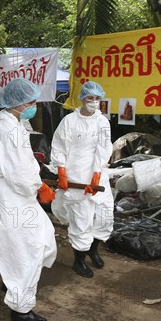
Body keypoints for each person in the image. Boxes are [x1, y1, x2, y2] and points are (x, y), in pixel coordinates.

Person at [0, 78, 57, 321]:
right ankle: (20, 307)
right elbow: (18, 172)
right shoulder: (9, 130)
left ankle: (11, 284)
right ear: (17, 103)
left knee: (29, 243)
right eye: (31, 101)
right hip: (15, 196)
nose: (34, 105)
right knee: (28, 249)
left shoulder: (12, 125)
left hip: (15, 195)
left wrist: (37, 184)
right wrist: (39, 187)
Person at [51, 81, 114, 278]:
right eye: (90, 98)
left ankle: (93, 250)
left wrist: (96, 173)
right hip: (76, 175)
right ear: (82, 98)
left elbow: (104, 148)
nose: (94, 102)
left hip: (97, 175)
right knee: (81, 218)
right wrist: (61, 171)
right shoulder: (69, 121)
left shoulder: (102, 122)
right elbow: (59, 146)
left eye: (97, 99)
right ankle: (79, 260)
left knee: (104, 215)